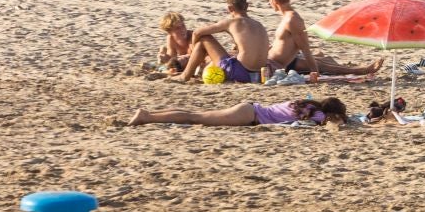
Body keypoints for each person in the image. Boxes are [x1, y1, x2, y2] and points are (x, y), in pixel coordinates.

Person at [264, 0, 379, 78]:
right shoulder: (286, 17)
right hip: (281, 60)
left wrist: (315, 72)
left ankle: (361, 70)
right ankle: (358, 69)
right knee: (321, 59)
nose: (269, 3)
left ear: (274, 0)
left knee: (321, 65)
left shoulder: (292, 20)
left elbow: (305, 48)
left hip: (278, 64)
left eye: (269, 0)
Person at [167, 0, 271, 84]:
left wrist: (195, 52)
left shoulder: (231, 22)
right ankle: (192, 70)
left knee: (204, 39)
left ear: (230, 8)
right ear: (247, 6)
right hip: (259, 74)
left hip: (240, 73)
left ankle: (185, 75)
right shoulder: (259, 25)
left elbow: (197, 33)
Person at [129, 97, 345, 127]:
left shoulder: (305, 104)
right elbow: (335, 127)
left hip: (250, 108)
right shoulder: (317, 116)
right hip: (249, 116)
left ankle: (150, 114)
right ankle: (146, 117)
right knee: (195, 117)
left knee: (194, 113)